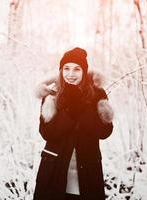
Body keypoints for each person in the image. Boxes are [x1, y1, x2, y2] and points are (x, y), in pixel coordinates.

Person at [33, 47, 114, 200]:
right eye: (66, 68)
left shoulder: (97, 94)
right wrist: (70, 110)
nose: (71, 74)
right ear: (61, 71)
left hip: (88, 173)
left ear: (84, 71)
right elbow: (47, 133)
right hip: (53, 172)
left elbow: (104, 131)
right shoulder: (52, 96)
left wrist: (82, 106)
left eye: (77, 69)